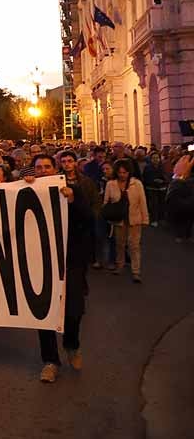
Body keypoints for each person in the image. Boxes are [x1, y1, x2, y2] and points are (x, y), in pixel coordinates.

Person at [31, 154, 93, 383]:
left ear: (54, 169)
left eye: (47, 166)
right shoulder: (27, 191)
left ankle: (71, 345)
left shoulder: (73, 190)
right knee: (44, 313)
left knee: (74, 310)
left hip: (71, 261)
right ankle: (50, 361)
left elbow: (88, 219)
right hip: (40, 262)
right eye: (38, 167)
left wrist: (73, 199)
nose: (43, 171)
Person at [104, 158, 148, 283]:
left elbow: (142, 202)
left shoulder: (137, 184)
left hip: (134, 219)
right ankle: (120, 265)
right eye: (120, 172)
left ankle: (136, 271)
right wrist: (108, 215)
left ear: (129, 172)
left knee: (134, 246)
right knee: (120, 245)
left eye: (125, 172)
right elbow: (106, 202)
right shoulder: (110, 184)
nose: (122, 175)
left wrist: (145, 219)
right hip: (118, 220)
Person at [166, 153, 193, 243]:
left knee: (188, 218)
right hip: (181, 200)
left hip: (188, 199)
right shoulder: (177, 178)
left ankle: (187, 235)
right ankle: (180, 235)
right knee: (180, 218)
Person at [142, 151, 168, 228]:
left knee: (161, 204)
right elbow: (145, 178)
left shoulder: (162, 166)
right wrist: (153, 180)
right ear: (151, 159)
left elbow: (166, 176)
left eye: (157, 158)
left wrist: (163, 181)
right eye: (153, 158)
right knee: (154, 204)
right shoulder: (147, 167)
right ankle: (154, 220)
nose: (155, 159)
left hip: (161, 188)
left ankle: (160, 218)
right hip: (151, 188)